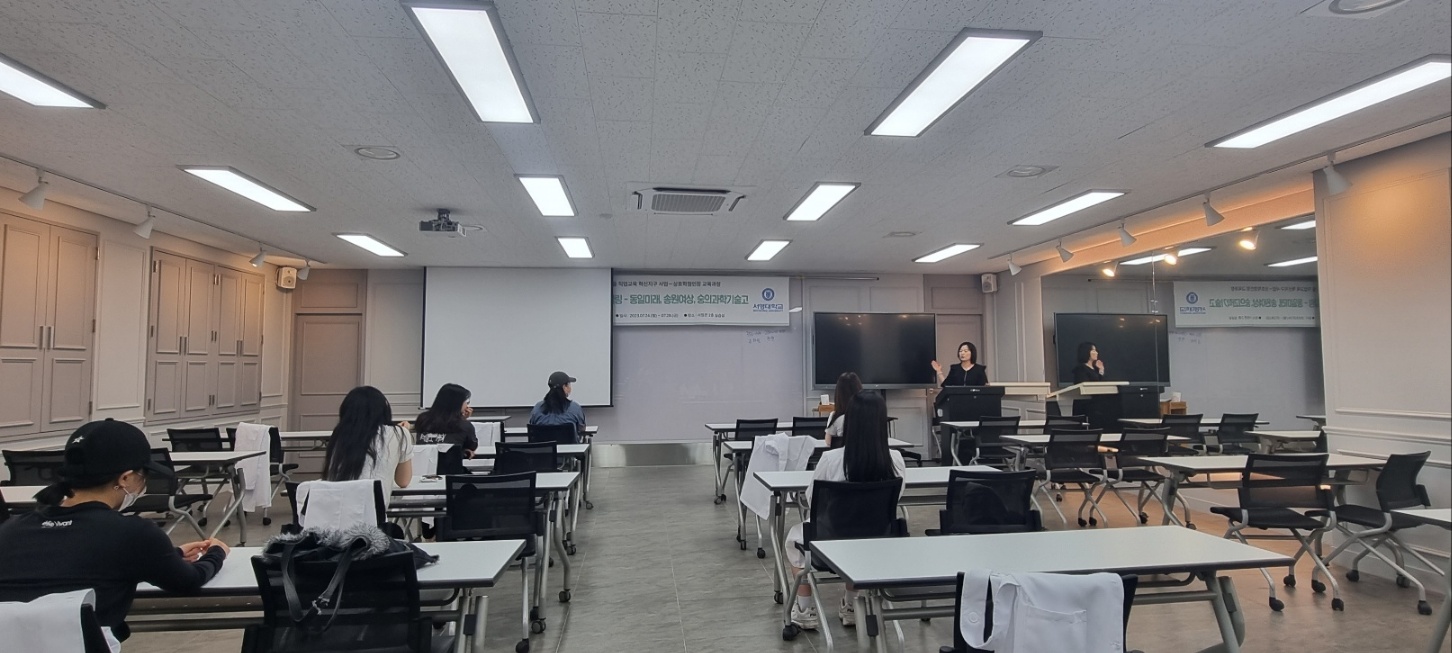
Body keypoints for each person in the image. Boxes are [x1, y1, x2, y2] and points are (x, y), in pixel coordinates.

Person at [0, 419, 230, 647]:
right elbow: (189, 581)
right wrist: (216, 553)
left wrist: (173, 554)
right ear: (125, 478)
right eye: (143, 476)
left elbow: (65, 566)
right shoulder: (133, 534)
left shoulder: (11, 530)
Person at [784, 390, 906, 630]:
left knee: (794, 541)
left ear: (849, 422)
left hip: (830, 541)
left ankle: (805, 609)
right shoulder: (896, 459)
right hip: (879, 541)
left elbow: (813, 500)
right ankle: (851, 605)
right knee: (859, 540)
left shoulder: (831, 459)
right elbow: (897, 497)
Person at [323, 386, 413, 506]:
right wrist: (404, 434)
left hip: (335, 510)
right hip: (373, 512)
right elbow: (403, 481)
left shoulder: (339, 434)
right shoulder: (399, 434)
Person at [415, 383, 479, 458]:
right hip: (450, 465)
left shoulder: (423, 419)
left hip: (424, 463)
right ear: (458, 404)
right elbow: (472, 446)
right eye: (466, 402)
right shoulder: (465, 426)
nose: (467, 405)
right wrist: (463, 419)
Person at [529, 371, 586, 438]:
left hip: (543, 444)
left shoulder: (538, 408)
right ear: (564, 387)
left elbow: (532, 427)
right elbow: (582, 429)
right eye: (569, 384)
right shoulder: (575, 408)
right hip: (568, 445)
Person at [823, 372, 862, 447]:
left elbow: (828, 442)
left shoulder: (835, 416)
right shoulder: (868, 415)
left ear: (838, 394)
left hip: (841, 453)